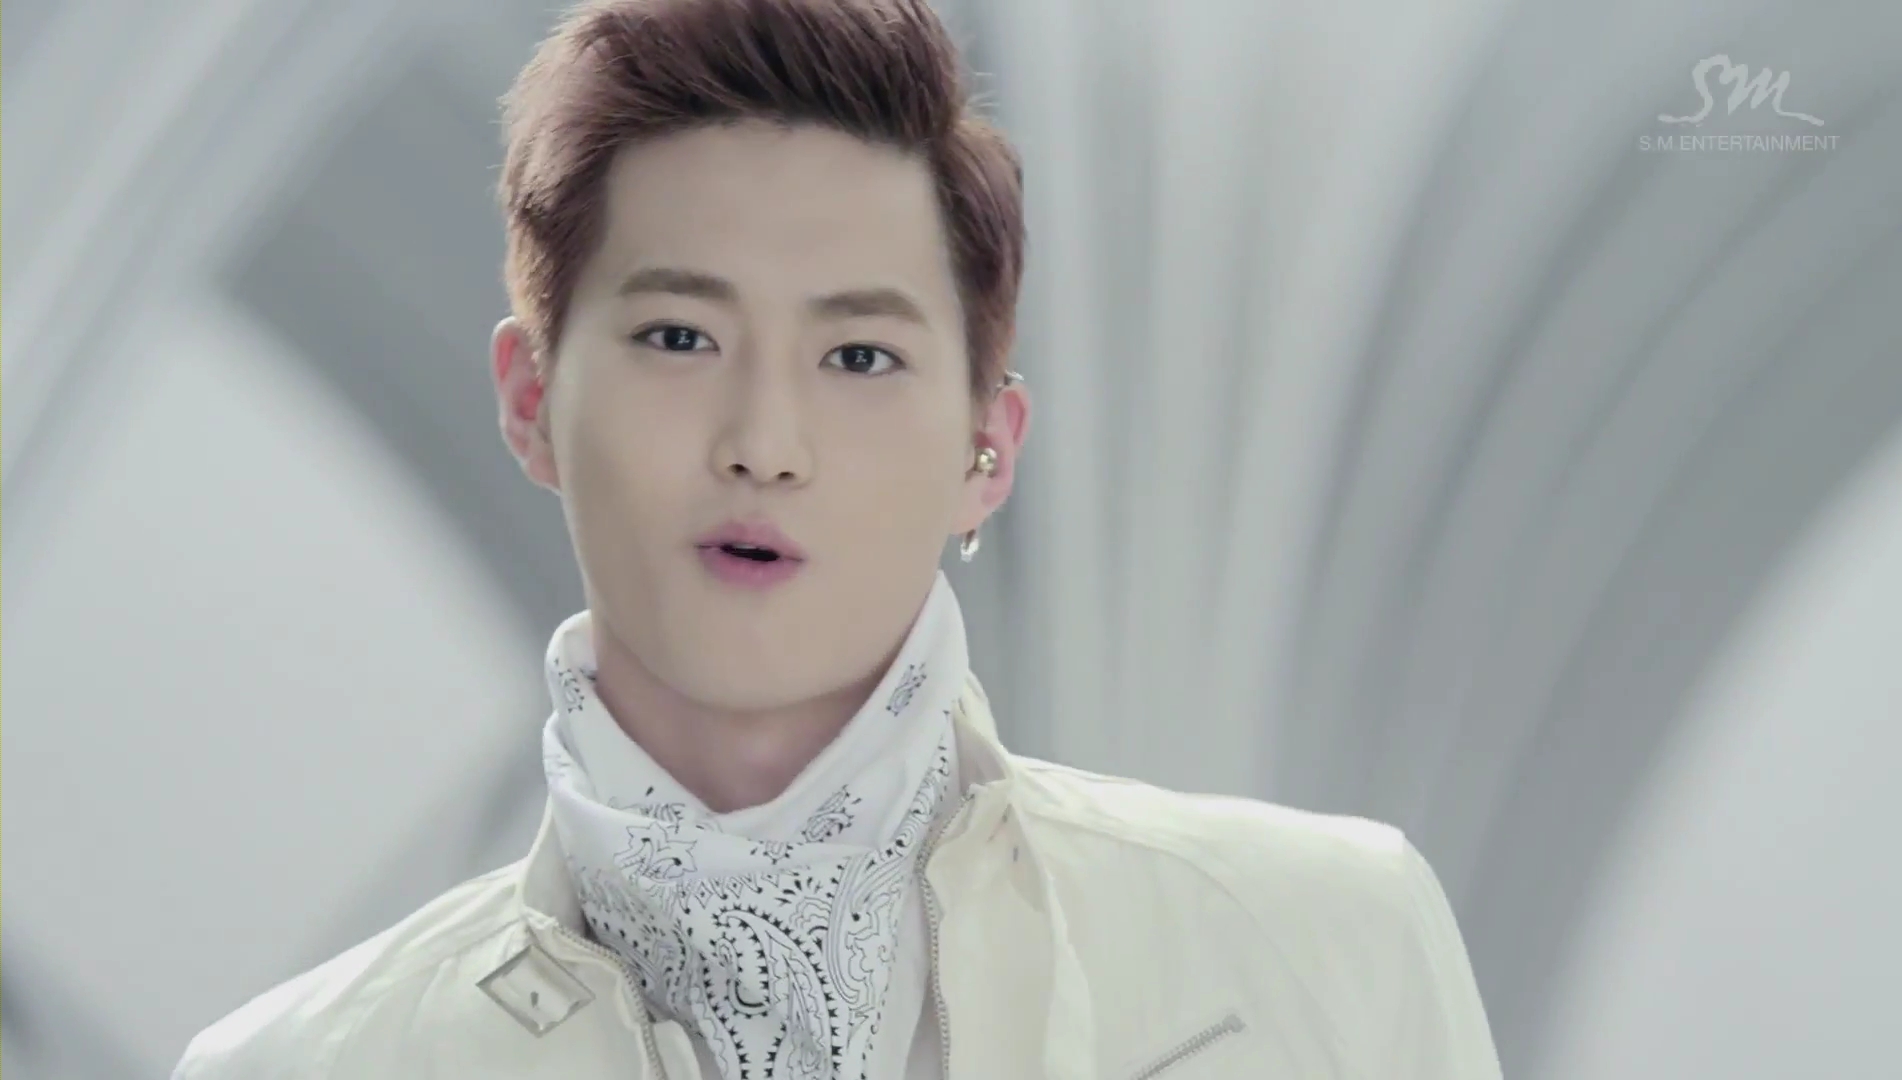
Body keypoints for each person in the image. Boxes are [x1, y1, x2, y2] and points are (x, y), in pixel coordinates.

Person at [171, 0, 1503, 1077]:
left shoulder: (1326, 946)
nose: (766, 441)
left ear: (989, 449)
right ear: (531, 403)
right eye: (679, 337)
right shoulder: (298, 1066)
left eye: (859, 354)